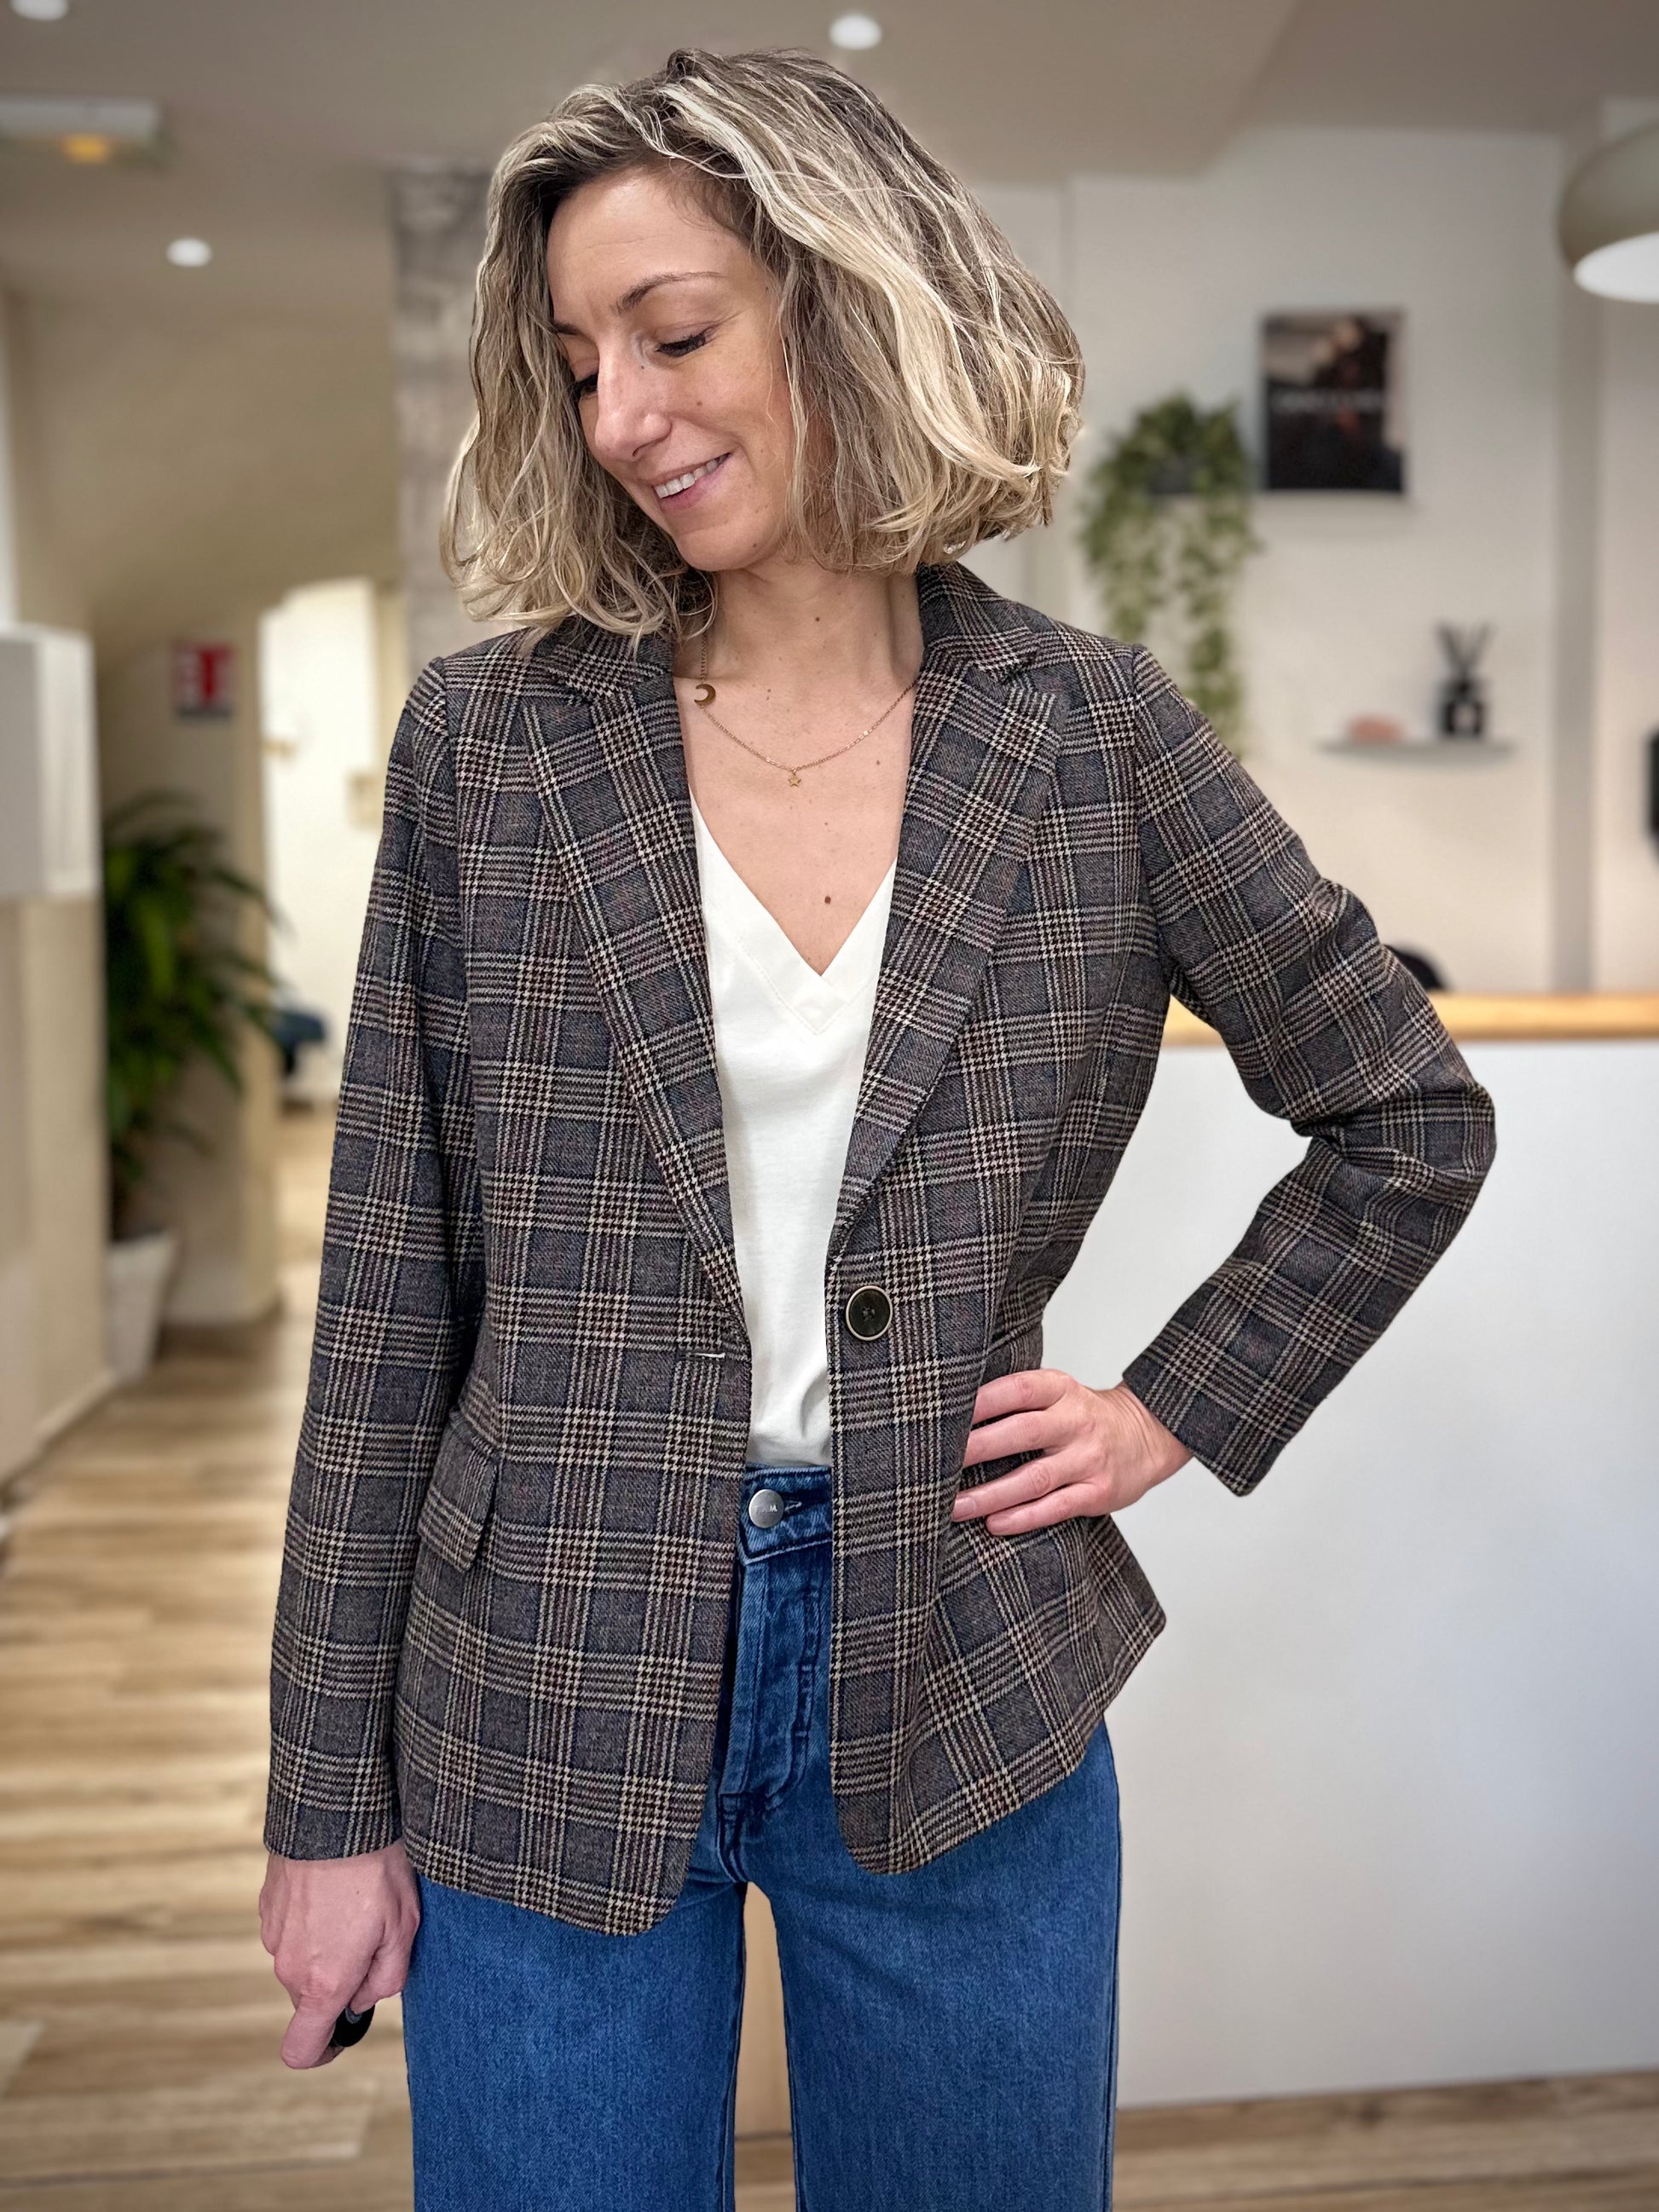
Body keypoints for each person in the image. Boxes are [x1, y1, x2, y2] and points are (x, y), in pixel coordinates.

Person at [258, 47, 1496, 2212]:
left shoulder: (1090, 737)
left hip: (959, 1664)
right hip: (536, 1667)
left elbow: (1404, 1108)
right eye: (577, 362)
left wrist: (1164, 1408)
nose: (622, 413)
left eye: (674, 331)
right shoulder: (488, 742)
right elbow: (384, 1304)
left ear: (848, 296)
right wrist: (318, 1798)